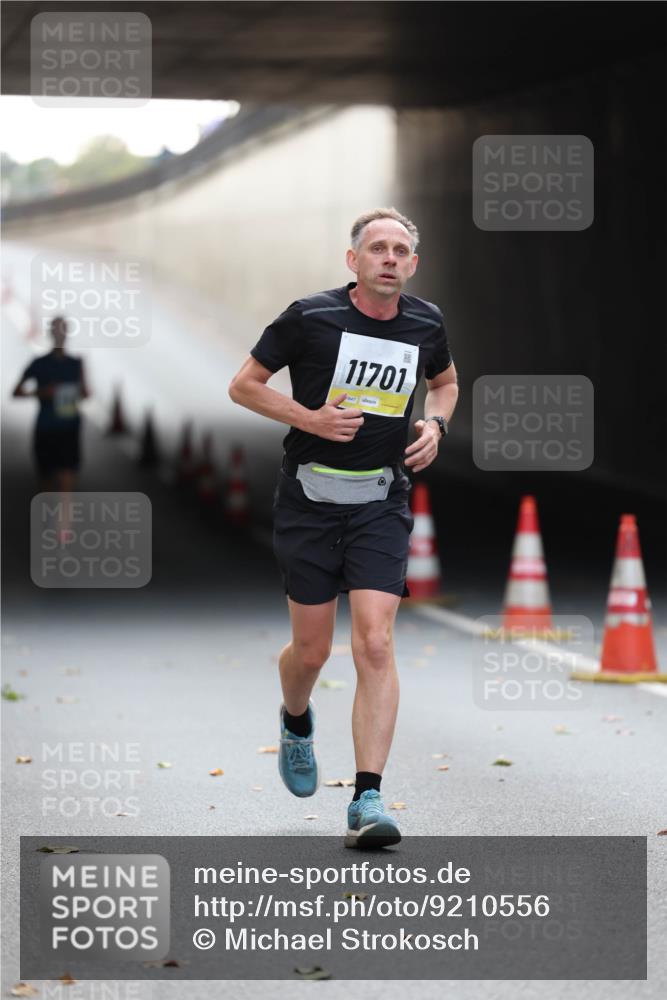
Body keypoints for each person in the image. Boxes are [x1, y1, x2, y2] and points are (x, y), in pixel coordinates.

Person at [229, 207, 458, 847]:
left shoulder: (425, 321)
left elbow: (445, 384)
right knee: (311, 651)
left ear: (413, 264)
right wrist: (310, 419)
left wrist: (435, 426)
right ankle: (296, 719)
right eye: (377, 248)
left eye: (401, 249)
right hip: (308, 499)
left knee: (376, 643)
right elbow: (244, 386)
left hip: (381, 502)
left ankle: (367, 799)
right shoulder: (311, 315)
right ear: (352, 260)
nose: (390, 257)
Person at [12, 316, 89, 492]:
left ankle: (63, 519)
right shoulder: (39, 364)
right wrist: (41, 392)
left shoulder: (76, 364)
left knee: (67, 483)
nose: (60, 335)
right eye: (57, 330)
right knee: (46, 483)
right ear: (51, 334)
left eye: (63, 330)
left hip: (69, 428)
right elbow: (16, 392)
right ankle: (48, 517)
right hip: (46, 428)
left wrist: (75, 392)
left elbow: (85, 393)